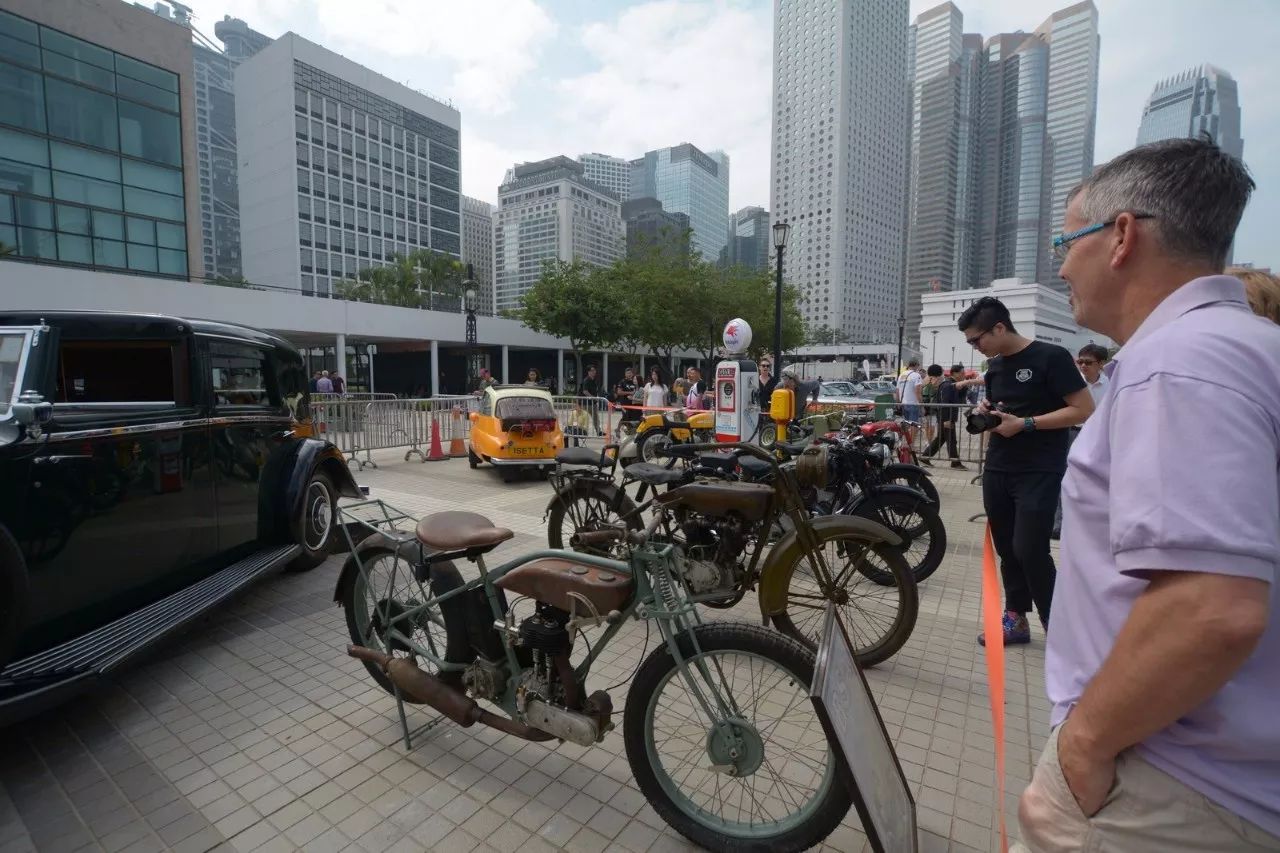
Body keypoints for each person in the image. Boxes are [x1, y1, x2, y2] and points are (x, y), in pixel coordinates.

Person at [1016, 137, 1280, 852]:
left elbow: (1211, 609)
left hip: (1166, 780)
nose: (1064, 264)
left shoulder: (1178, 362)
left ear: (1122, 235)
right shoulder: (1248, 347)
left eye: (1068, 241)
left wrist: (1082, 749)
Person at [960, 296, 1093, 647]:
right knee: (1007, 547)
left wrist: (1027, 424)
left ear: (999, 327)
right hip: (999, 468)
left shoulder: (1051, 357)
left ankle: (1059, 625)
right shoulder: (996, 368)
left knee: (1030, 548)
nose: (975, 347)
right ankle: (1015, 618)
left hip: (1039, 469)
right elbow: (1002, 413)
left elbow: (1083, 409)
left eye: (977, 339)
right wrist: (988, 412)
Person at [922, 364, 965, 469]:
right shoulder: (948, 385)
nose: (963, 375)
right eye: (962, 373)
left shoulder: (950, 384)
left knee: (941, 438)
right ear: (955, 373)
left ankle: (925, 456)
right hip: (946, 417)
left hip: (945, 416)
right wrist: (947, 419)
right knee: (951, 439)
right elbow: (945, 403)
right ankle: (955, 462)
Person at [613, 367, 640, 437]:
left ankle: (630, 431)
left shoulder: (634, 382)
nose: (629, 375)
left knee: (630, 417)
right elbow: (619, 392)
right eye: (627, 373)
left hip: (633, 403)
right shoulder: (622, 382)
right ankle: (618, 429)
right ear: (625, 374)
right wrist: (630, 392)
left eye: (630, 373)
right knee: (625, 417)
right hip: (624, 403)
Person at [579, 364, 604, 435]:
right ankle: (580, 431)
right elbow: (585, 391)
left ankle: (598, 431)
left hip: (593, 403)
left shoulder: (595, 380)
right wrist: (593, 397)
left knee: (596, 418)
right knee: (583, 418)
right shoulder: (586, 380)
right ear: (588, 372)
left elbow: (595, 390)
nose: (594, 372)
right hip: (586, 403)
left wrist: (596, 397)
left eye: (594, 370)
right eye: (592, 370)